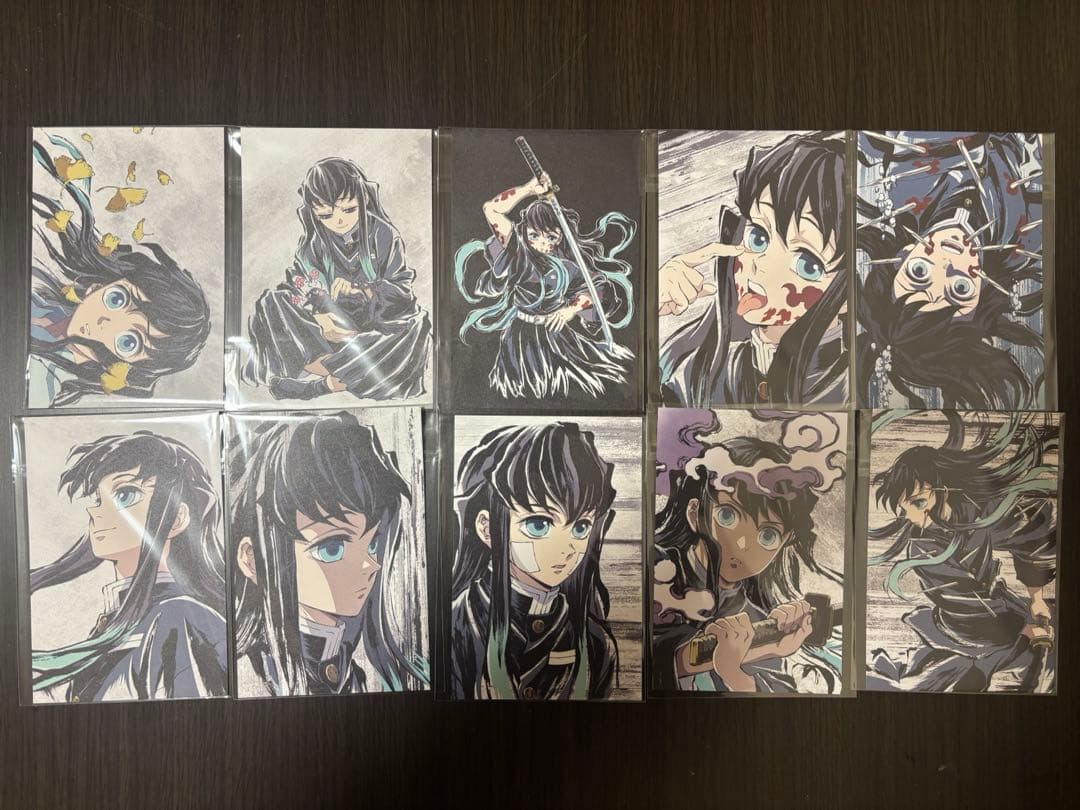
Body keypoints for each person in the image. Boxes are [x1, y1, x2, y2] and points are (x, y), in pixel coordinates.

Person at [230, 412, 428, 696]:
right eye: (332, 548)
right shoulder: (247, 679)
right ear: (252, 560)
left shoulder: (354, 669)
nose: (370, 565)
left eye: (372, 545)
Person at [652, 410, 845, 693]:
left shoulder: (753, 616)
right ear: (695, 513)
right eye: (727, 516)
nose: (743, 545)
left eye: (767, 535)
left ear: (785, 542)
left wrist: (755, 657)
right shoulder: (658, 574)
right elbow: (640, 666)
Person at [867, 411, 1058, 693]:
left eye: (918, 503)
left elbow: (1035, 527)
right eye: (905, 510)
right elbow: (970, 606)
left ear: (945, 489)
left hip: (1007, 608)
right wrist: (1022, 632)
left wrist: (1036, 597)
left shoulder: (977, 510)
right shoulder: (923, 548)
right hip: (967, 629)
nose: (914, 518)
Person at [30, 432, 227, 702]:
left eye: (125, 494)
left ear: (178, 519)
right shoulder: (120, 622)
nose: (94, 511)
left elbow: (190, 721)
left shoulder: (178, 615)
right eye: (98, 499)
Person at [659, 131, 848, 406]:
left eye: (807, 263)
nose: (761, 267)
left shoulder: (854, 384)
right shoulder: (702, 371)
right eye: (759, 236)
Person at [29, 136, 211, 407]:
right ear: (97, 287)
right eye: (117, 299)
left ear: (127, 368)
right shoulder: (44, 308)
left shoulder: (49, 384)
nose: (105, 322)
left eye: (128, 342)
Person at [449, 422, 619, 700]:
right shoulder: (457, 624)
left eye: (580, 527)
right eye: (539, 525)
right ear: (487, 529)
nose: (566, 548)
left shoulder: (594, 642)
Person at [243, 158, 431, 402]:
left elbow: (401, 289)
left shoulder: (383, 234)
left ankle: (319, 387)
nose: (339, 221)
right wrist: (321, 318)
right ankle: (338, 371)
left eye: (349, 210)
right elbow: (298, 286)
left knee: (416, 327)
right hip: (329, 330)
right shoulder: (314, 244)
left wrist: (363, 290)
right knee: (271, 302)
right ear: (314, 213)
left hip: (372, 325)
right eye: (326, 215)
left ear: (363, 200)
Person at [454, 171, 636, 399]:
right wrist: (529, 189)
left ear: (561, 236)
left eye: (550, 237)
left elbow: (596, 290)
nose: (542, 243)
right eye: (534, 235)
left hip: (556, 332)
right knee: (517, 389)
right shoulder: (517, 252)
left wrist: (571, 309)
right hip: (520, 335)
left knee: (575, 386)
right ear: (525, 232)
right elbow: (491, 209)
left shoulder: (569, 266)